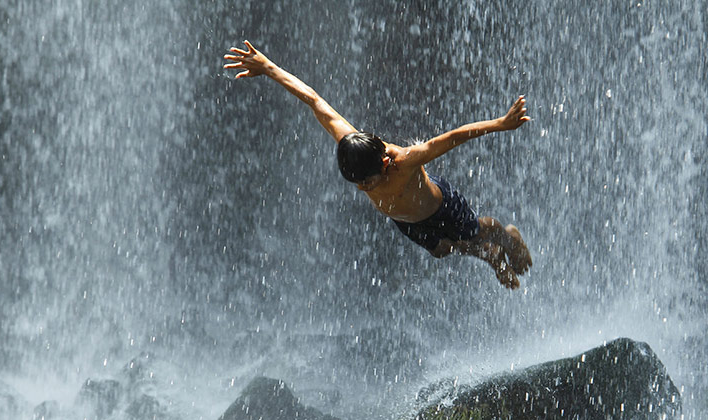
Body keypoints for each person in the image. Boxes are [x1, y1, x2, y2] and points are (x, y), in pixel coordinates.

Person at [223, 41, 532, 289]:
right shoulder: (351, 145)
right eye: (361, 185)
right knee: (443, 251)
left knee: (474, 232)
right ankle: (490, 256)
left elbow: (453, 137)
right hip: (407, 220)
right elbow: (314, 101)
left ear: (385, 162)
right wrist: (268, 67)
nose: (364, 188)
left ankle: (506, 238)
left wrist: (502, 124)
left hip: (440, 205)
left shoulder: (407, 160)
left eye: (369, 182)